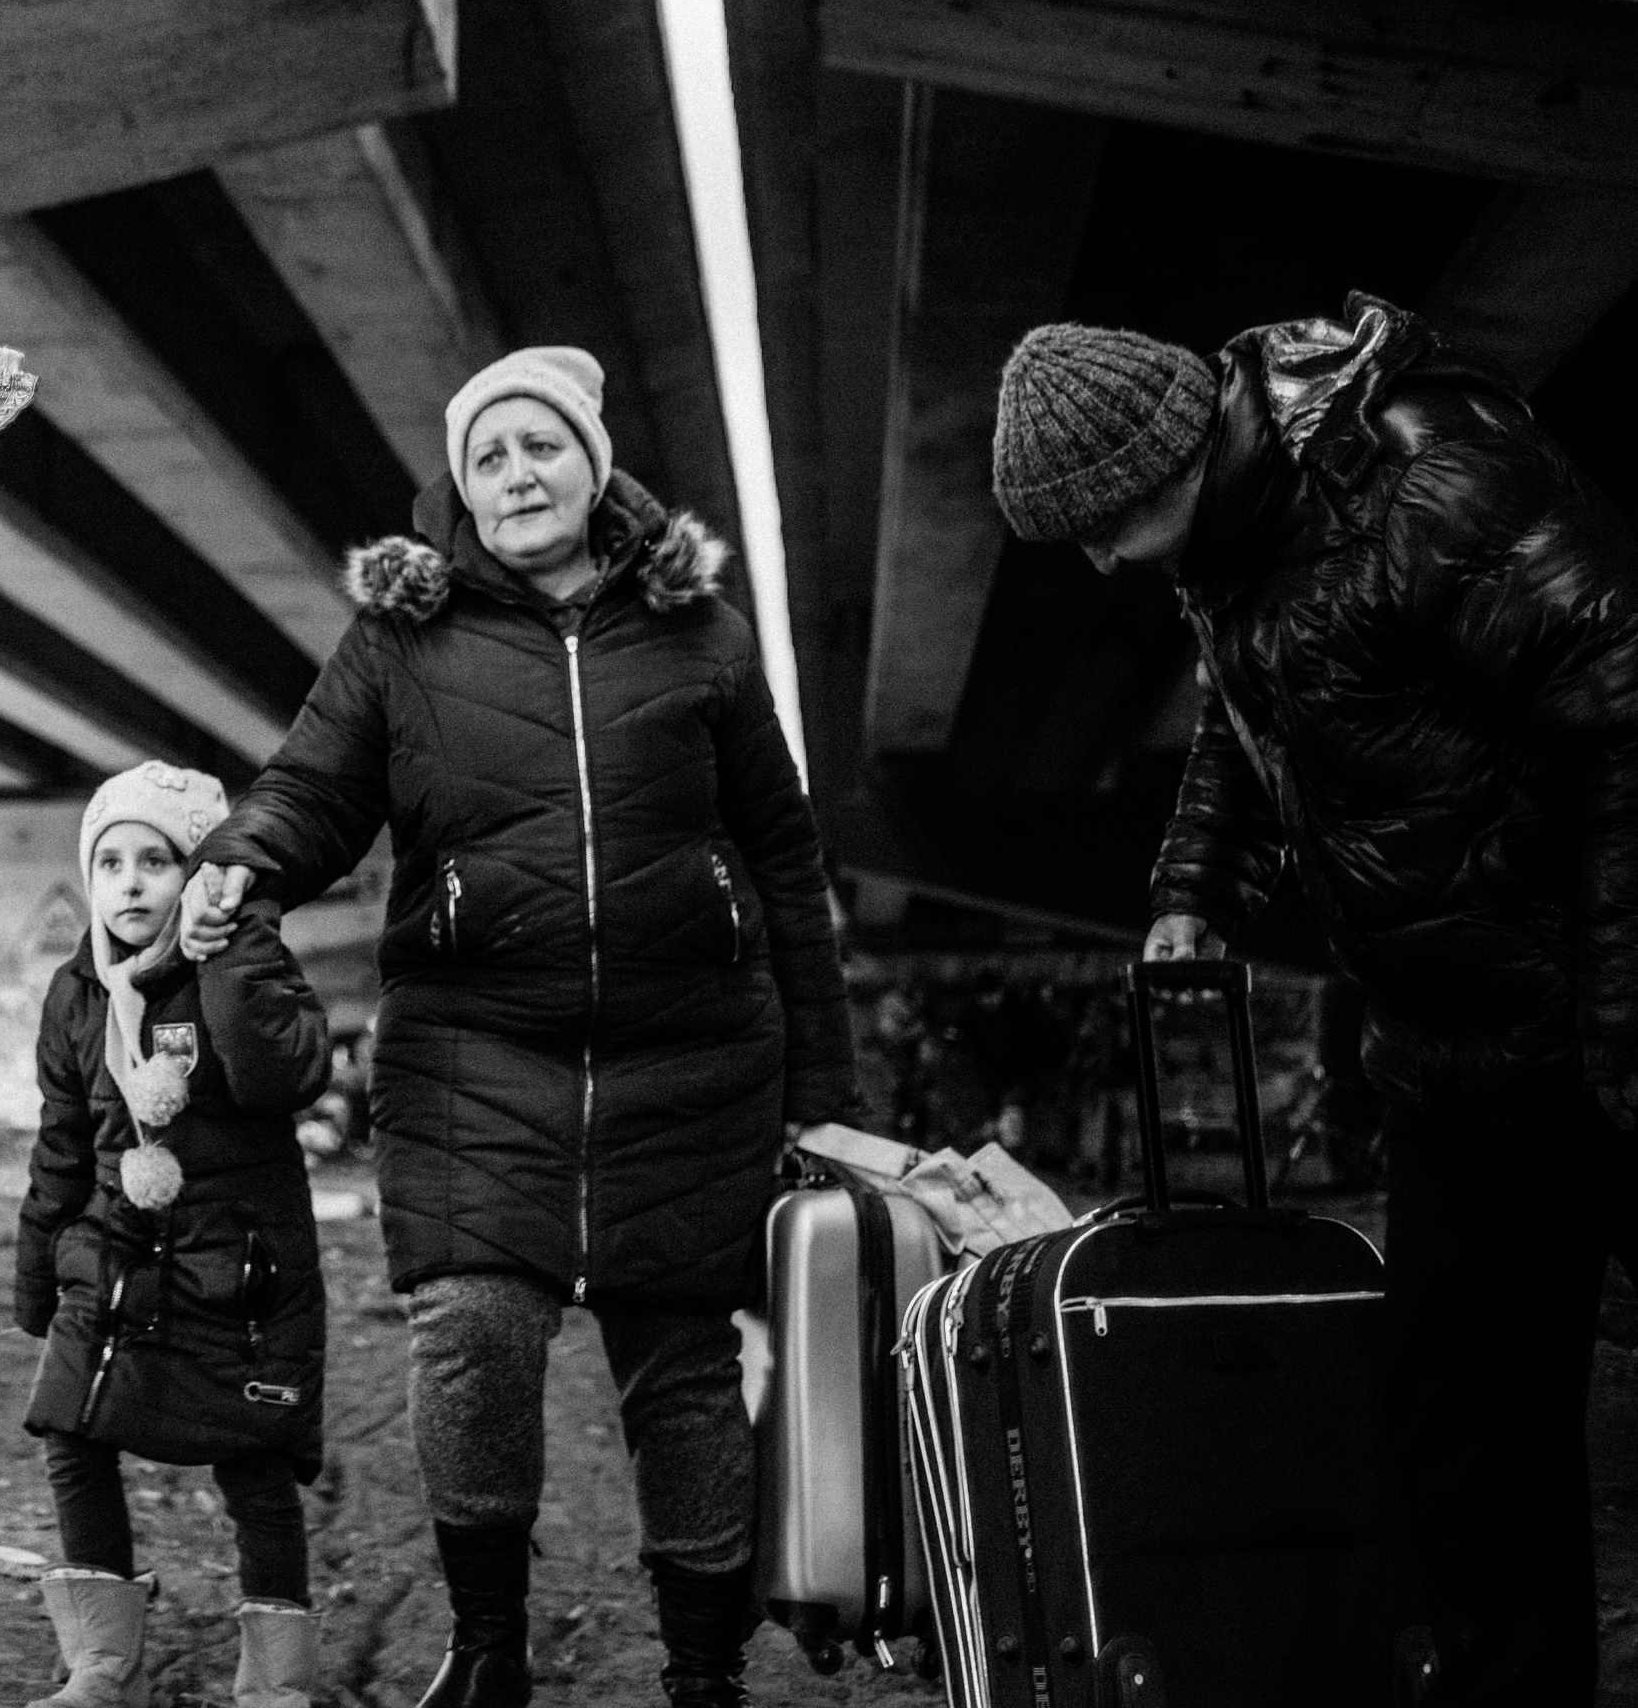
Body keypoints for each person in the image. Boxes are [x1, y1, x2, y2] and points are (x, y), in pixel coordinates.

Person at [989, 297, 1638, 1706]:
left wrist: (1622, 1018)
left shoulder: (1426, 485)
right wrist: (1194, 889)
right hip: (1460, 1052)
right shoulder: (1232, 545)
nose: (1097, 563)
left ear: (1162, 469)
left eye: (1097, 527)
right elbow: (1259, 713)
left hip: (1602, 1017)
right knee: (1466, 1427)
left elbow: (1625, 700)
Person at [187, 347, 856, 1708]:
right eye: (488, 458)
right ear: (463, 490)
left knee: (682, 1371)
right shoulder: (401, 640)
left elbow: (783, 856)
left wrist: (827, 1087)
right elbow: (315, 788)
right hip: (474, 1050)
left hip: (695, 1054)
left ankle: (704, 1670)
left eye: (539, 447)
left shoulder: (703, 636)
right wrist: (243, 858)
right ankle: (488, 1647)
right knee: (474, 1333)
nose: (515, 475)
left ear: (592, 468)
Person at [15, 761, 333, 1708]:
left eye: (158, 859)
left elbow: (285, 1078)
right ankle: (103, 1665)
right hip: (114, 1263)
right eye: (109, 861)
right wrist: (40, 1271)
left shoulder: (247, 963)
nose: (130, 881)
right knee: (72, 1435)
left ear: (199, 873)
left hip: (238, 1272)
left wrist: (234, 946)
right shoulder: (78, 992)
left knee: (255, 1466)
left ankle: (277, 1685)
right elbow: (61, 1143)